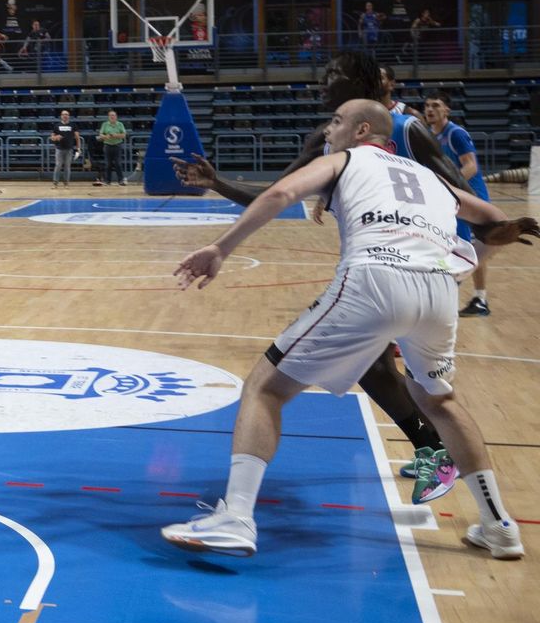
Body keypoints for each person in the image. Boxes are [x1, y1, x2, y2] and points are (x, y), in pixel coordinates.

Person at [162, 99, 536, 559]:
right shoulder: (430, 178)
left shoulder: (344, 158)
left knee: (265, 388)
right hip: (438, 291)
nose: (327, 131)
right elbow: (496, 222)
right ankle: (498, 524)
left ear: (362, 131)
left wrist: (221, 248)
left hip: (374, 278)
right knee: (441, 401)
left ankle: (236, 517)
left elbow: (280, 194)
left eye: (336, 122)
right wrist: (467, 261)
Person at [172, 50, 486, 503]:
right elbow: (273, 196)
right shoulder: (324, 138)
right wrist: (216, 182)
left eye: (333, 75)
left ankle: (444, 458)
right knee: (376, 368)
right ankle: (442, 458)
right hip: (378, 265)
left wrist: (456, 254)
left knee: (398, 379)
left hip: (428, 263)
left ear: (360, 83)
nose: (322, 83)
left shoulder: (407, 128)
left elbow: (456, 191)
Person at [423, 91, 496, 317]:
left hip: (471, 199)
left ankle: (454, 291)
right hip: (455, 200)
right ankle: (479, 299)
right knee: (468, 249)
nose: (430, 109)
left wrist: (447, 188)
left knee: (465, 249)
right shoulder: (429, 135)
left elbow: (471, 166)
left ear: (447, 110)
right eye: (427, 106)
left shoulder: (455, 133)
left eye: (436, 105)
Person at [49, 109, 80, 188]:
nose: (65, 116)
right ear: (61, 116)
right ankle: (55, 183)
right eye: (63, 114)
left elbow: (77, 138)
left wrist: (78, 148)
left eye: (66, 114)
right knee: (58, 165)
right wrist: (56, 137)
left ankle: (66, 183)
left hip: (69, 149)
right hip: (59, 149)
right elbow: (52, 137)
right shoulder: (57, 125)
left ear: (68, 116)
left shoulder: (73, 125)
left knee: (67, 166)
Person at [96, 109, 127, 186]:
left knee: (118, 163)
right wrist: (106, 136)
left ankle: (121, 180)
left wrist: (115, 135)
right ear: (108, 117)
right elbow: (100, 134)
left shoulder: (120, 124)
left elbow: (123, 135)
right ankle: (107, 181)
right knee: (108, 164)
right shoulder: (105, 124)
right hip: (107, 146)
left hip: (117, 145)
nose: (112, 117)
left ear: (116, 117)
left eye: (113, 115)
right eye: (110, 115)